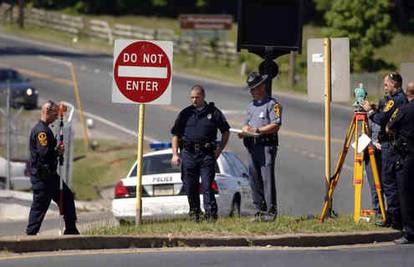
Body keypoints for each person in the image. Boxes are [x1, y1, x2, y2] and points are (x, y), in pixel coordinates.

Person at [171, 85, 230, 222]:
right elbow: (175, 134)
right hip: (188, 153)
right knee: (190, 185)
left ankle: (210, 215)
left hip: (206, 154)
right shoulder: (185, 113)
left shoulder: (214, 112)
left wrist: (219, 149)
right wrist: (175, 154)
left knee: (207, 185)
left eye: (197, 97)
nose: (194, 100)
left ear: (203, 96)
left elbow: (225, 131)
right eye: (192, 97)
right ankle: (195, 213)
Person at [362, 72, 407, 229]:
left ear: (394, 84)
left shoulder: (395, 100)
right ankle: (394, 216)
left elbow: (381, 119)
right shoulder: (399, 100)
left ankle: (394, 219)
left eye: (387, 83)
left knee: (388, 182)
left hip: (389, 144)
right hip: (392, 144)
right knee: (391, 182)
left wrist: (369, 111)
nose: (385, 86)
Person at [26, 100, 79, 235]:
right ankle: (30, 235)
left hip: (51, 176)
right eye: (55, 114)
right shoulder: (41, 132)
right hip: (42, 178)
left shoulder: (46, 129)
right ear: (47, 112)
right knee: (39, 207)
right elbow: (43, 153)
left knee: (66, 196)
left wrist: (56, 151)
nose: (56, 117)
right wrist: (57, 152)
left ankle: (71, 230)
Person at [240, 72, 282, 222]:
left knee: (266, 178)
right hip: (252, 145)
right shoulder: (251, 106)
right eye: (250, 89)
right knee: (254, 177)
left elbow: (276, 125)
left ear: (262, 87)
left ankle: (270, 212)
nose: (252, 92)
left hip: (266, 145)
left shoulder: (273, 104)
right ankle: (259, 209)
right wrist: (244, 131)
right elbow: (246, 124)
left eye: (254, 88)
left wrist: (258, 130)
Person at [386, 81, 414, 244]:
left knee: (405, 193)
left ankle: (409, 232)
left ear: (408, 94)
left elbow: (389, 128)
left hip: (407, 156)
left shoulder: (404, 110)